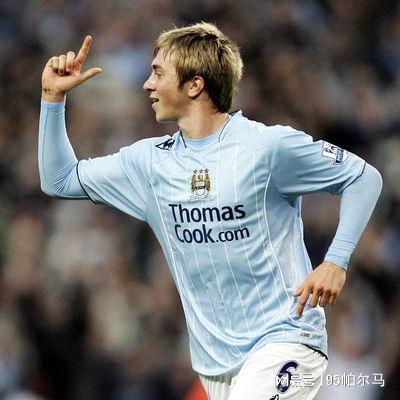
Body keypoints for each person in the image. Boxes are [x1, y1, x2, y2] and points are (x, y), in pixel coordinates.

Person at [38, 22, 382, 400]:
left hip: (286, 342)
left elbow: (363, 178)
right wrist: (52, 99)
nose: (147, 85)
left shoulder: (267, 147)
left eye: (158, 73)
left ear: (194, 85)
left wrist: (335, 262)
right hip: (216, 366)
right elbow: (59, 181)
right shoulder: (148, 165)